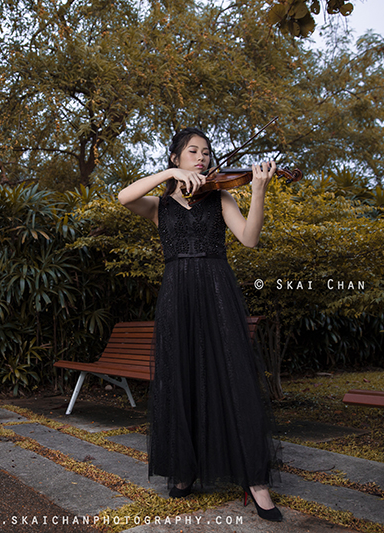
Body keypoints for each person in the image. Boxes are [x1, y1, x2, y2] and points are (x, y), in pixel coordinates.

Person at [117, 127, 283, 522]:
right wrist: (169, 176)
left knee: (232, 376)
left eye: (206, 152)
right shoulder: (159, 206)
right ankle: (184, 469)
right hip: (177, 296)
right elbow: (123, 196)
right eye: (193, 151)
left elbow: (249, 239)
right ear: (176, 158)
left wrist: (259, 190)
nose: (202, 157)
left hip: (216, 290)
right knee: (181, 377)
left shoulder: (220, 196)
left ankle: (255, 481)